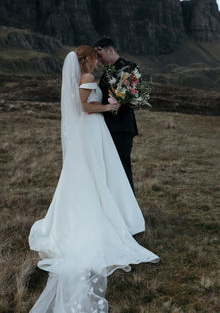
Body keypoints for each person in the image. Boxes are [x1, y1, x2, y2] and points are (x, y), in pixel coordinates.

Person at [28, 46, 159, 313]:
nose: (97, 61)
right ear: (86, 59)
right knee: (94, 173)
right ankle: (99, 213)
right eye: (94, 58)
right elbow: (86, 107)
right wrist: (108, 106)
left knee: (91, 173)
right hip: (90, 128)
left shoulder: (82, 78)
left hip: (89, 132)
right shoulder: (86, 79)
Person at [94, 38, 139, 193]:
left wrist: (120, 102)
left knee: (122, 168)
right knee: (108, 169)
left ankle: (129, 211)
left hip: (122, 127)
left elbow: (135, 96)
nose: (99, 60)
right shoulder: (105, 74)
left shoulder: (130, 68)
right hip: (105, 127)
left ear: (110, 50)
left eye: (100, 55)